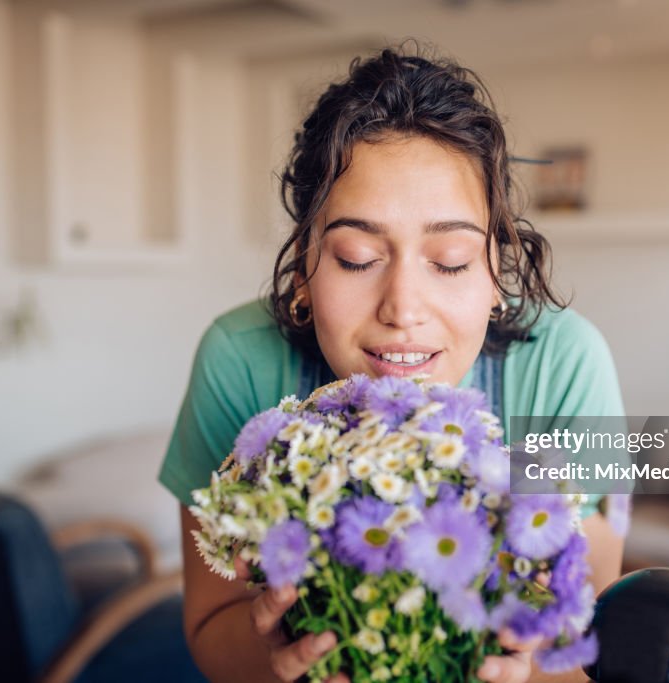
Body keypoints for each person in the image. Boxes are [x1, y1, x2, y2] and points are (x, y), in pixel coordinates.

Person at [158, 45, 626, 683]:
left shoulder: (566, 367)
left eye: (452, 261)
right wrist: (278, 661)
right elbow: (210, 621)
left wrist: (526, 666)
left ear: (497, 273)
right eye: (356, 256)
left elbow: (587, 635)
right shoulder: (239, 362)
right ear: (304, 266)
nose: (403, 309)